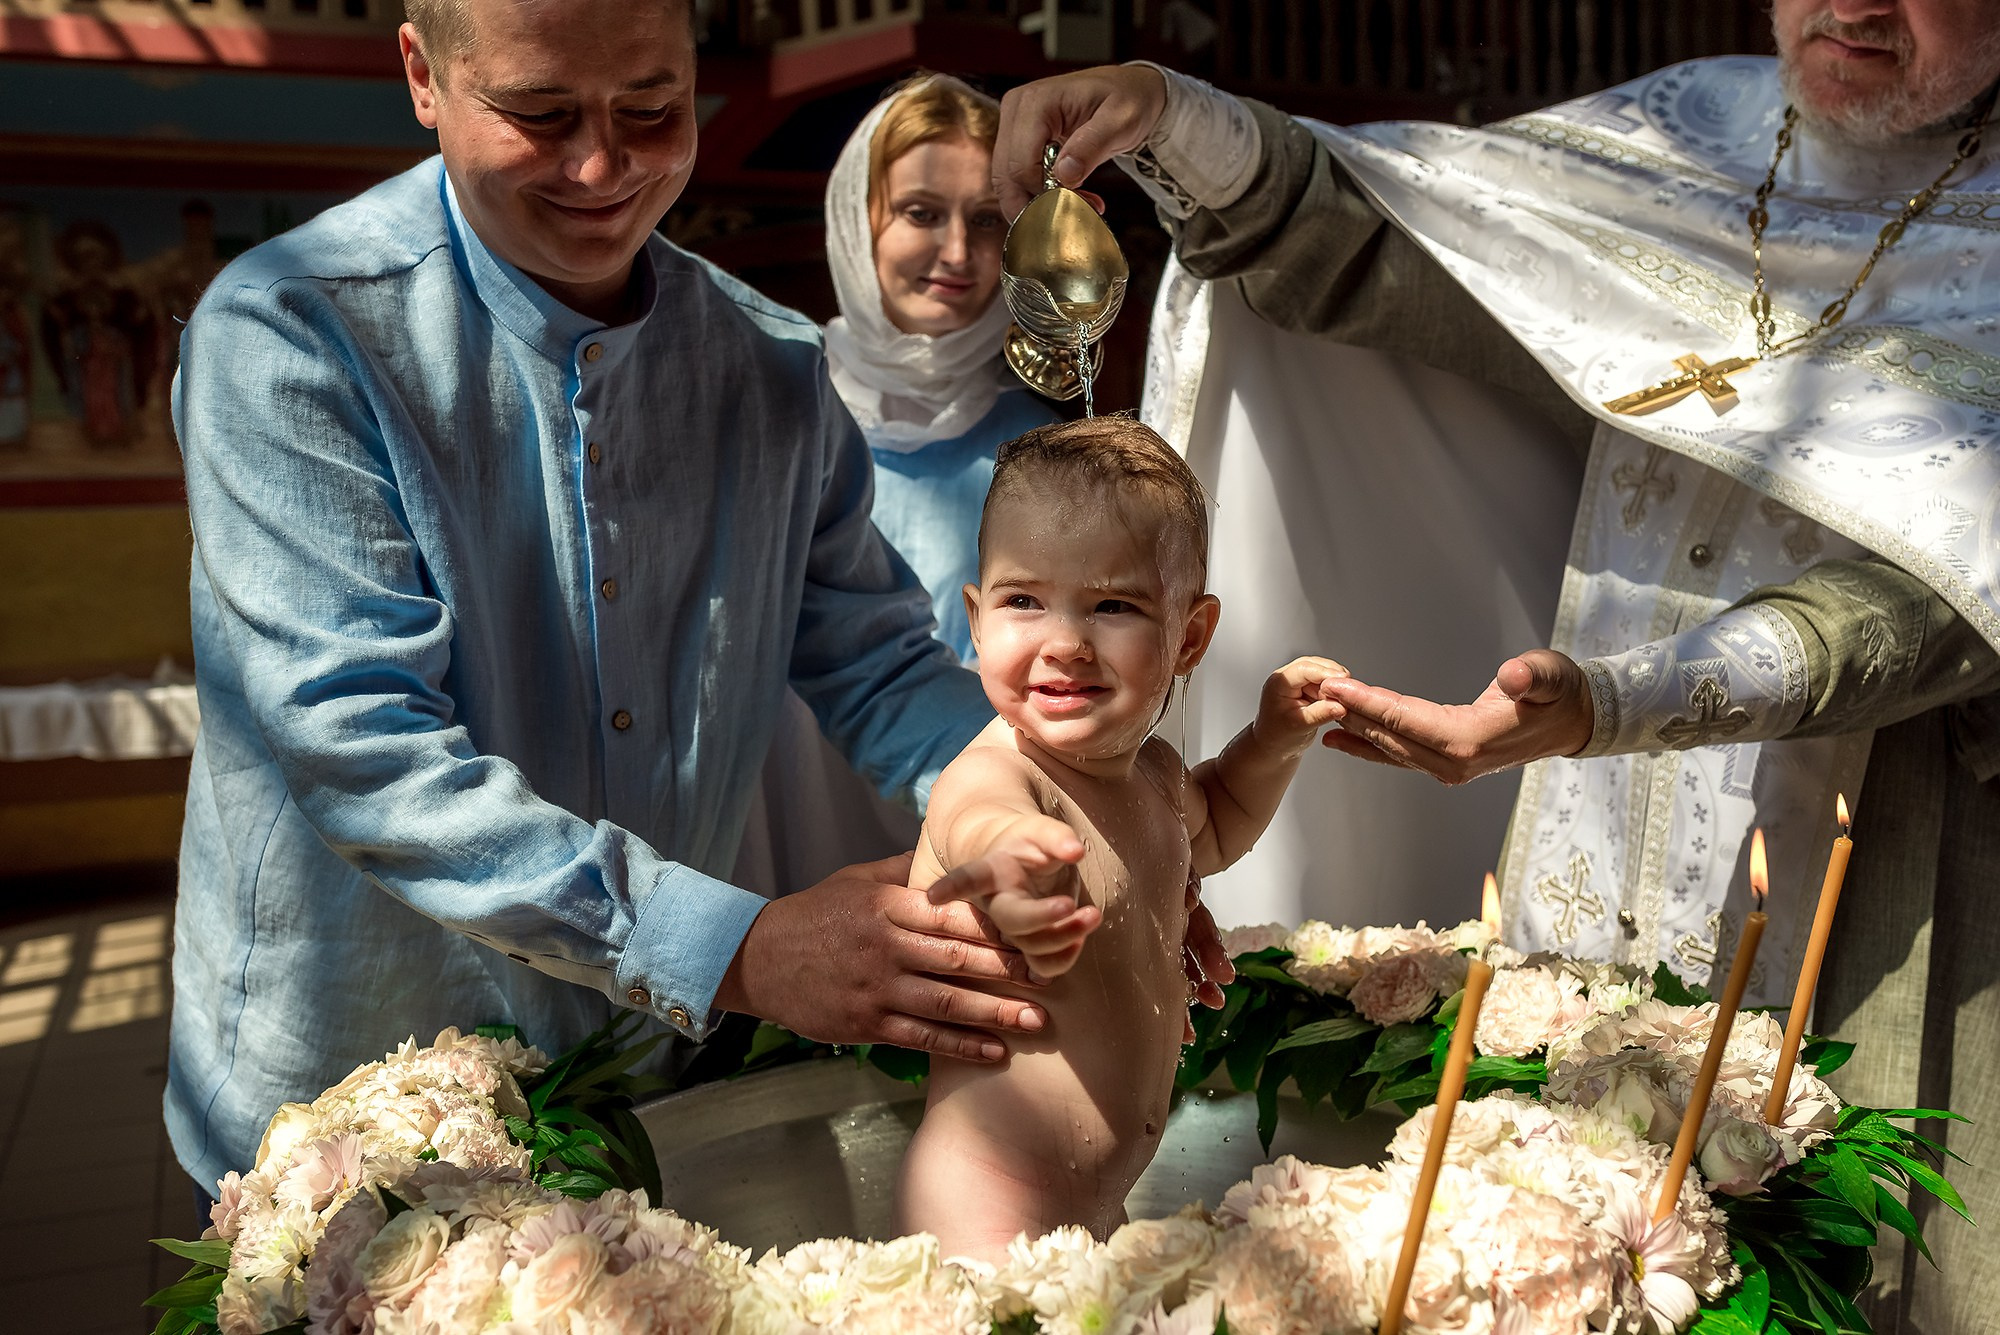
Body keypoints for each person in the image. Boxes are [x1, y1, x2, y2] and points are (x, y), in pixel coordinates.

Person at [996, 1, 2000, 1323]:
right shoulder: (1688, 129)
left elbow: (1935, 602)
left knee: (1833, 1265)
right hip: (1582, 818)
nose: (1855, 4)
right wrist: (1176, 117)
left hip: (1889, 873)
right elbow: (1389, 259)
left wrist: (1613, 699)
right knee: (1550, 1242)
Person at [166, 0, 1248, 1207]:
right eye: (539, 114)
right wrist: (734, 946)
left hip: (647, 1072)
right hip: (361, 1078)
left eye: (651, 111)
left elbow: (882, 670)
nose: (601, 166)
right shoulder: (297, 331)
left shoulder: (770, 369)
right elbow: (357, 743)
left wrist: (1100, 850)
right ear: (423, 75)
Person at [893, 417, 1345, 1261]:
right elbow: (982, 826)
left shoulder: (1157, 778)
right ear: (977, 620)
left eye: (1112, 605)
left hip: (1100, 1196)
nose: (1064, 641)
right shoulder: (999, 774)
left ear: (1191, 637)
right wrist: (1018, 881)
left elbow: (1217, 825)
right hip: (984, 1192)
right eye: (1023, 599)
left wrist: (1275, 738)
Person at [733, 74, 1061, 900]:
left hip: (965, 839)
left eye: (988, 221)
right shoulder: (771, 399)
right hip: (772, 828)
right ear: (858, 216)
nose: (957, 252)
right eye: (921, 213)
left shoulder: (1048, 450)